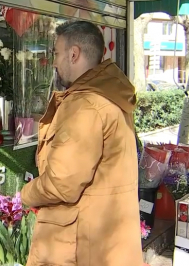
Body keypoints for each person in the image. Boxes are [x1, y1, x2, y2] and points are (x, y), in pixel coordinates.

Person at [21, 21, 143, 266]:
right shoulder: (110, 95)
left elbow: (61, 183)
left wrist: (24, 194)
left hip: (81, 246)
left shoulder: (85, 104)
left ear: (73, 54)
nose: (54, 62)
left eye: (56, 53)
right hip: (105, 242)